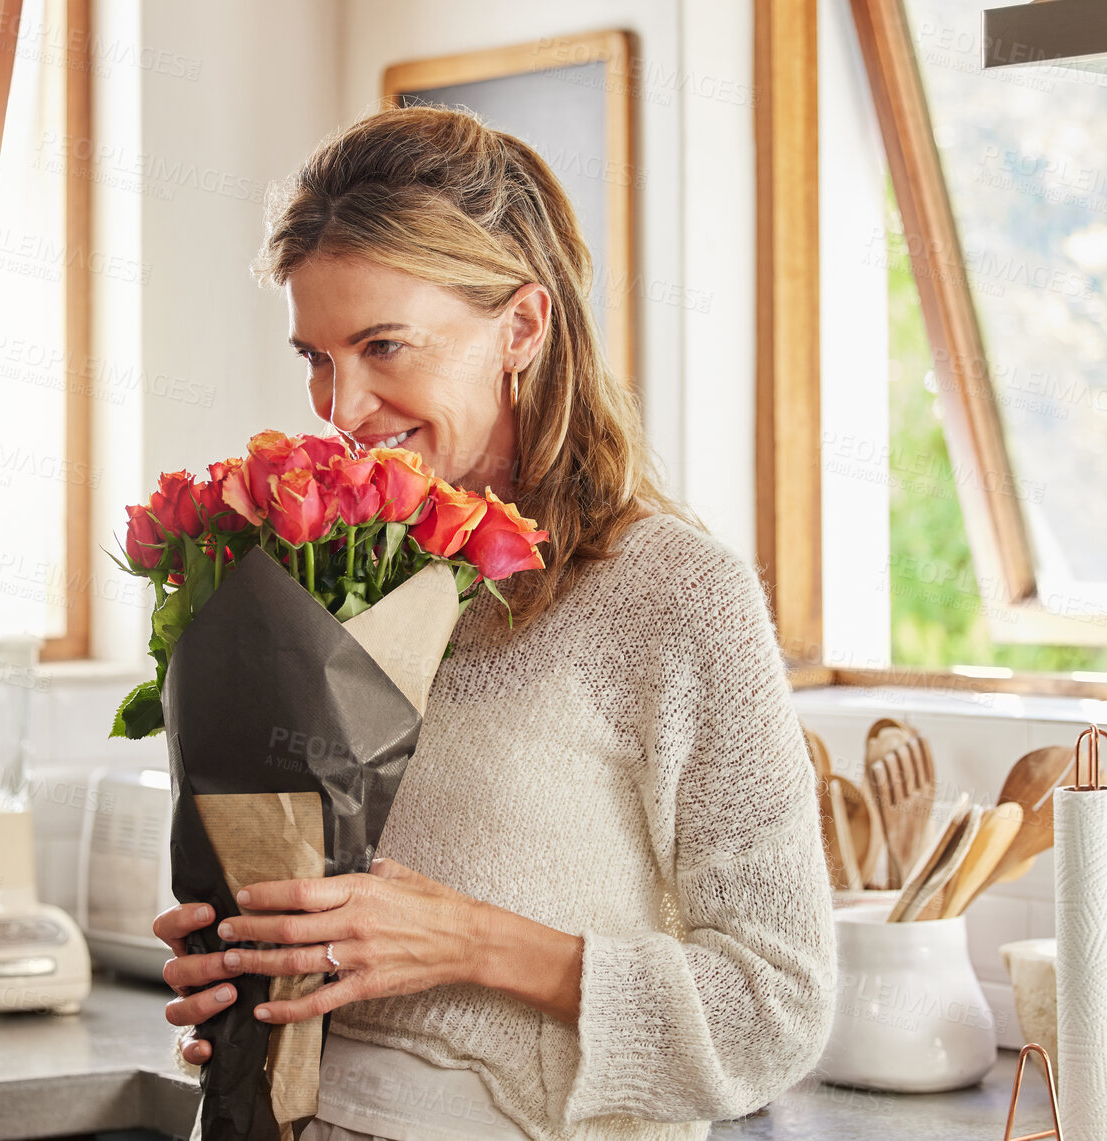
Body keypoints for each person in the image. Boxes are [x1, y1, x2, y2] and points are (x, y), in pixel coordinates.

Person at [155, 106, 835, 1141]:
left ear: (520, 325)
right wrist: (243, 978)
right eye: (315, 356)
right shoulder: (328, 579)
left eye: (384, 345)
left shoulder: (674, 596)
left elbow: (774, 1010)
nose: (340, 406)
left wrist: (472, 942)